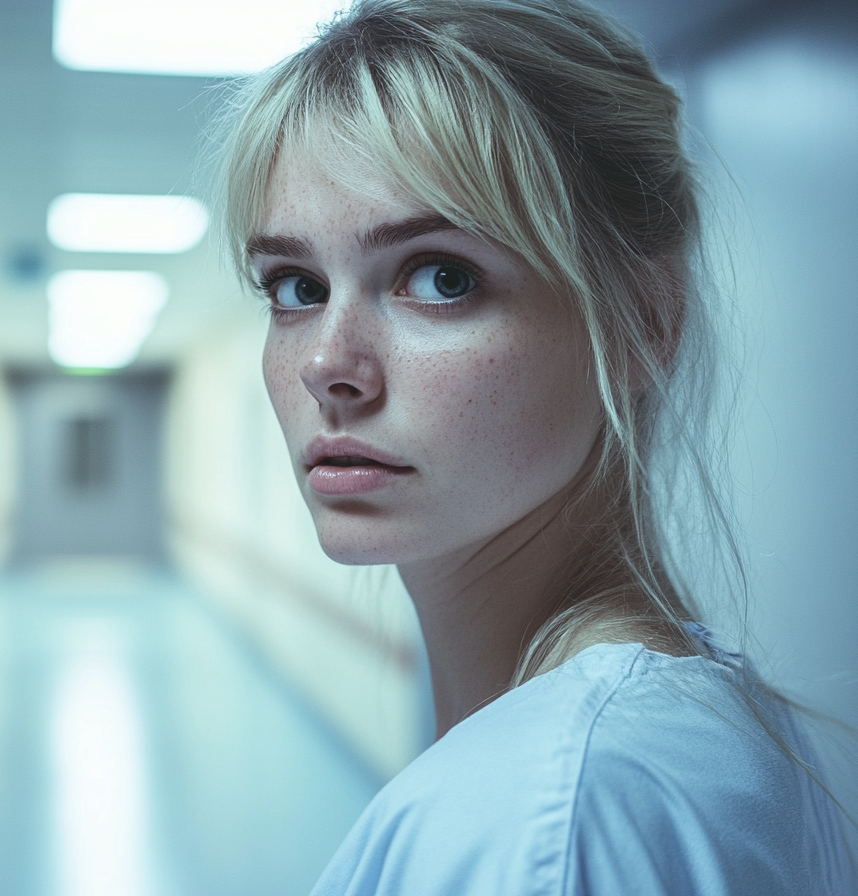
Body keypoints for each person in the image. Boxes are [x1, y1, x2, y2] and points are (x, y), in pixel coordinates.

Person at [214, 1, 855, 893]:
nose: (328, 364)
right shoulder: (673, 736)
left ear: (642, 321)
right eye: (295, 286)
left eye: (440, 277)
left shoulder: (559, 812)